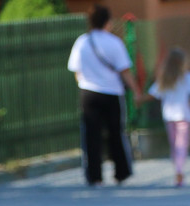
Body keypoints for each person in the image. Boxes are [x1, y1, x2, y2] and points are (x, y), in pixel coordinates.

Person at [67, 4, 142, 186]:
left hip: (89, 92)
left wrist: (85, 83)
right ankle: (121, 173)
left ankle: (95, 176)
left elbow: (76, 70)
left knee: (91, 136)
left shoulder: (82, 42)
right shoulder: (114, 43)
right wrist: (137, 92)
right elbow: (125, 71)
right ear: (108, 22)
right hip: (111, 92)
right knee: (115, 133)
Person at [138, 47, 190, 187]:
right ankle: (179, 170)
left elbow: (152, 94)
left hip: (169, 116)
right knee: (181, 145)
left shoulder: (164, 79)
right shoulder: (186, 78)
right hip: (184, 115)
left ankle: (177, 170)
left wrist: (139, 99)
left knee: (174, 145)